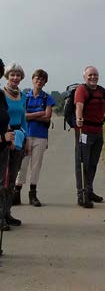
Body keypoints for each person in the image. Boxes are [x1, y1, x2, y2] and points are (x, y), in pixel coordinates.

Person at [74, 66, 105, 208]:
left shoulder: (102, 91)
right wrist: (79, 119)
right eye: (90, 75)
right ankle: (81, 195)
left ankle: (89, 191)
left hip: (98, 131)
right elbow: (79, 105)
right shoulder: (81, 90)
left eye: (95, 75)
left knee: (93, 163)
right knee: (82, 163)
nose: (93, 77)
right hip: (84, 131)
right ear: (85, 77)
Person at [15, 69, 55, 207]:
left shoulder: (47, 98)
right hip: (26, 135)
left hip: (41, 137)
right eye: (37, 78)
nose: (39, 81)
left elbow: (47, 117)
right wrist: (39, 113)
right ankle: (17, 193)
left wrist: (31, 116)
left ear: (45, 82)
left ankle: (33, 194)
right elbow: (23, 116)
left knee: (36, 166)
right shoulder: (25, 97)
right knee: (22, 164)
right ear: (32, 79)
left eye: (42, 79)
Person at [2, 62, 29, 227]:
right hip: (5, 137)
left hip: (20, 137)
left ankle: (7, 212)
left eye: (18, 75)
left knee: (12, 178)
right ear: (7, 76)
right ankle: (0, 217)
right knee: (2, 179)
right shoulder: (1, 94)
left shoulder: (23, 96)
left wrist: (26, 139)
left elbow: (24, 119)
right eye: (12, 74)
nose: (15, 78)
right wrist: (7, 138)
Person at [0, 59, 15, 232]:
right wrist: (2, 138)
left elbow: (6, 119)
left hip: (3, 149)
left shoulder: (0, 95)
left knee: (2, 186)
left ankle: (2, 216)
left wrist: (9, 136)